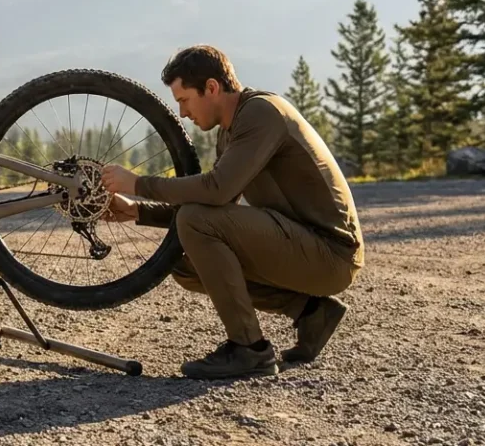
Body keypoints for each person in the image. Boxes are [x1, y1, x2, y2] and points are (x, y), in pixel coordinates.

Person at [100, 44, 364, 380]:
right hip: (304, 244)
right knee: (182, 261)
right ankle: (312, 312)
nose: (182, 113)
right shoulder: (231, 130)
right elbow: (218, 208)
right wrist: (136, 211)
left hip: (332, 253)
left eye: (184, 101)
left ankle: (249, 350)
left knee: (194, 223)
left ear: (211, 88)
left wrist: (137, 184)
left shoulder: (261, 113)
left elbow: (215, 191)